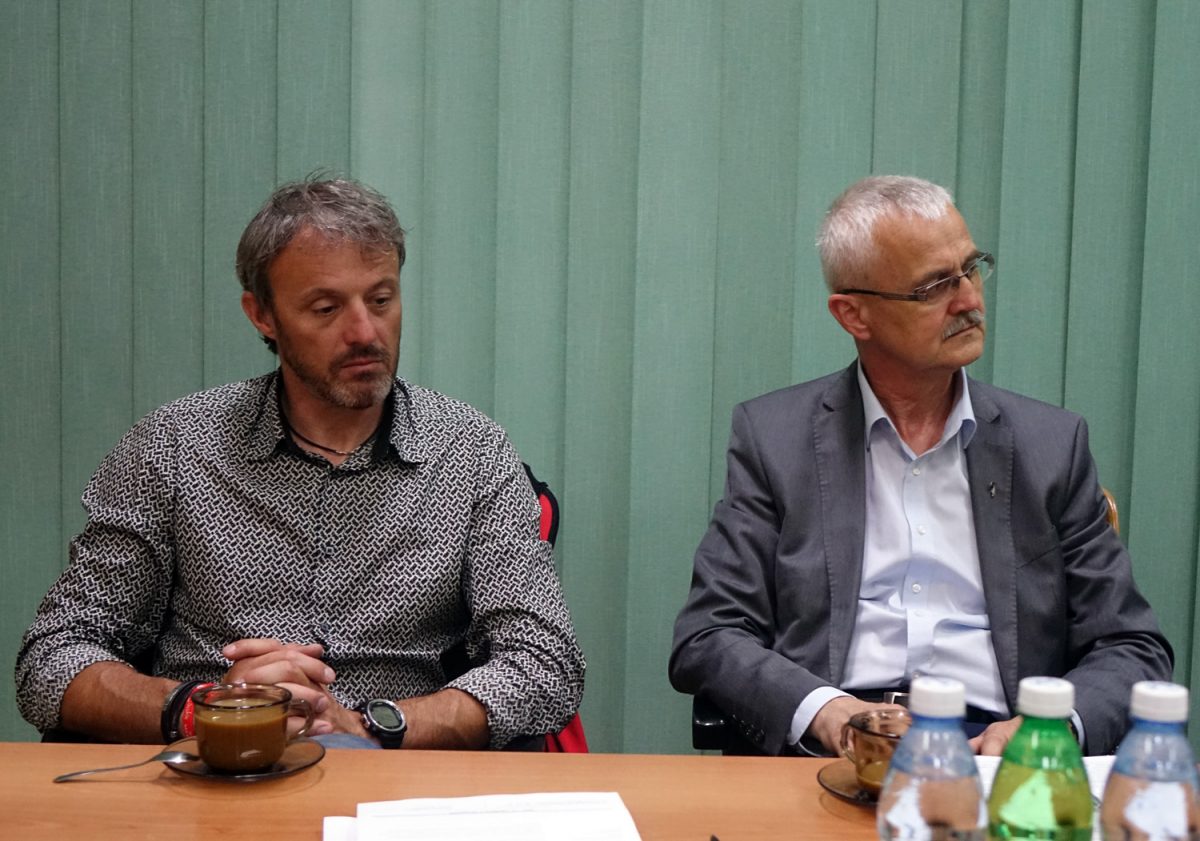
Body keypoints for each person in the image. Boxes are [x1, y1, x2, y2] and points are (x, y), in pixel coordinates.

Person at [16, 177, 584, 750]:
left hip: (395, 776)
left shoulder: (470, 451)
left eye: (381, 300)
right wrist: (202, 708)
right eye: (326, 308)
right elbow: (50, 660)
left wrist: (372, 725)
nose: (364, 332)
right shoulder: (175, 447)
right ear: (262, 315)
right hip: (212, 770)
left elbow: (546, 663)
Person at [669, 175, 1171, 758]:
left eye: (971, 269)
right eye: (934, 286)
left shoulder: (1051, 446)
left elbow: (1131, 645)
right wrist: (826, 712)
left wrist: (1048, 729)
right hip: (834, 745)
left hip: (996, 747)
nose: (969, 300)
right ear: (854, 315)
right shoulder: (776, 439)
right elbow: (710, 634)